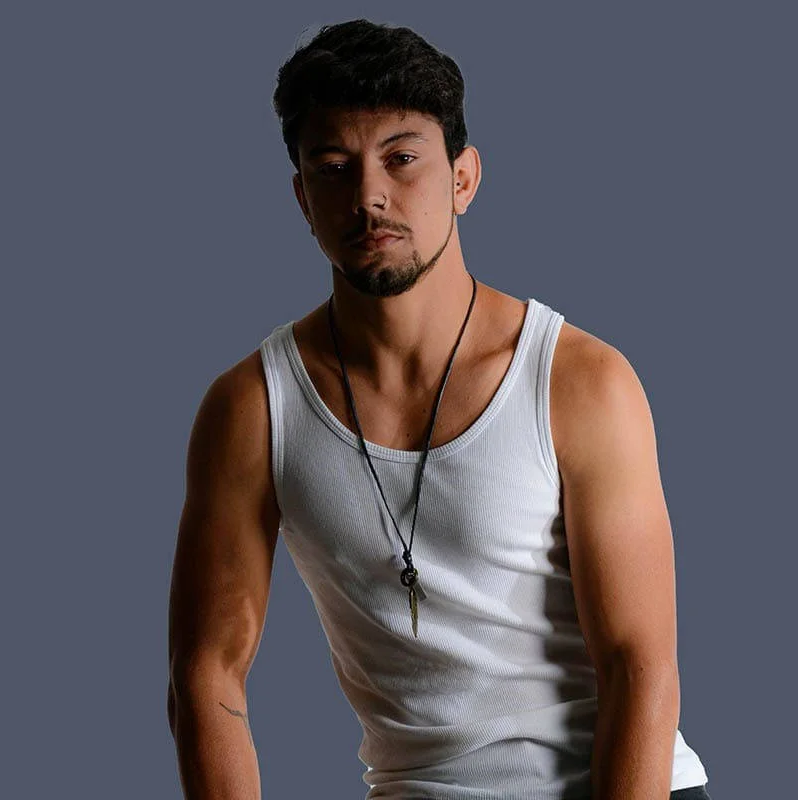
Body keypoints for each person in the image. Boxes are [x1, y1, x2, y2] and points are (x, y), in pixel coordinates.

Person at [167, 18, 714, 800]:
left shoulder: (580, 382)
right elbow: (206, 676)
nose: (369, 196)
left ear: (463, 179)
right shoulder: (253, 408)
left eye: (402, 159)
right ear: (302, 199)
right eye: (334, 167)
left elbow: (640, 665)